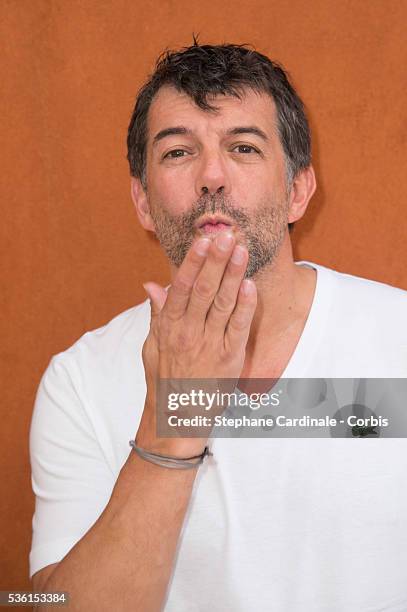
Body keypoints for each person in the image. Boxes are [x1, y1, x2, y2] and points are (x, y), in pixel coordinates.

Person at [29, 41, 407, 611]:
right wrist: (176, 412)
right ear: (142, 201)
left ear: (298, 191)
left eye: (244, 147)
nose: (211, 176)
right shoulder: (78, 381)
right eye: (178, 152)